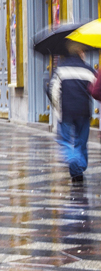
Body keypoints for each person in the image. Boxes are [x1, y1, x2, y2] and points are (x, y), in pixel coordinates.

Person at [53, 41, 97, 182]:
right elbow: (95, 89)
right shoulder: (88, 69)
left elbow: (53, 90)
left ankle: (72, 158)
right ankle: (79, 169)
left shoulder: (60, 69)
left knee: (65, 140)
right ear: (80, 53)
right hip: (84, 110)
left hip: (66, 110)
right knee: (81, 141)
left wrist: (58, 110)